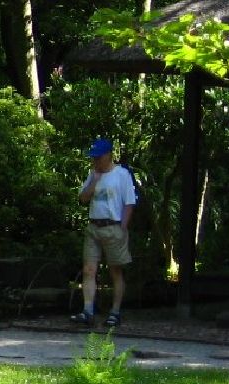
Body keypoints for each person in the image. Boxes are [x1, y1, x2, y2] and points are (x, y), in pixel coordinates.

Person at [72, 138, 137, 327]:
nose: (95, 161)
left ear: (108, 155)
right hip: (94, 227)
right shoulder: (93, 174)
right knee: (89, 270)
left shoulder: (122, 175)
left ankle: (115, 312)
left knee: (115, 271)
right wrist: (94, 181)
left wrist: (122, 228)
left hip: (113, 226)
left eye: (98, 157)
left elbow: (129, 203)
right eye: (93, 158)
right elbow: (83, 198)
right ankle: (87, 310)